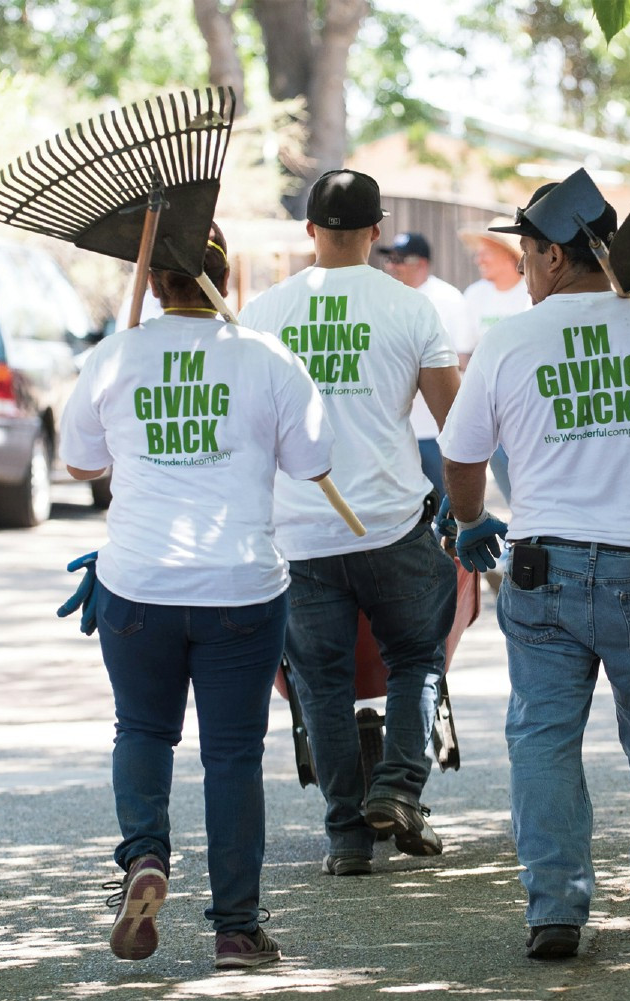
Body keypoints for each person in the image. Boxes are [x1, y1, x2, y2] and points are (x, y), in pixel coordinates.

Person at [437, 172, 630, 960]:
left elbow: (461, 452)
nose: (523, 271)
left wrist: (472, 521)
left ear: (549, 256)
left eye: (526, 255)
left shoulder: (511, 340)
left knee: (542, 740)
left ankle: (555, 910)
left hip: (543, 572)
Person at [57, 223, 334, 970]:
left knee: (142, 730)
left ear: (154, 283)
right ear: (225, 281)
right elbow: (316, 461)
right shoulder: (266, 357)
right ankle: (237, 928)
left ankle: (145, 856)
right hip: (242, 587)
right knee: (234, 755)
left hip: (137, 583)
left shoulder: (113, 356)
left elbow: (79, 465)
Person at [238, 169, 461, 878]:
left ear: (310, 230)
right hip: (392, 520)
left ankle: (346, 837)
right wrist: (470, 506)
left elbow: (243, 433)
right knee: (417, 656)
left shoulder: (262, 314)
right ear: (375, 232)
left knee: (321, 683)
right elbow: (457, 426)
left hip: (299, 531)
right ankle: (397, 785)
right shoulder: (411, 307)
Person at [378, 231, 474, 504]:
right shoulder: (384, 298)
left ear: (421, 263)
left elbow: (464, 358)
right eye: (389, 259)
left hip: (435, 428)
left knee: (448, 506)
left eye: (399, 259)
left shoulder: (448, 298)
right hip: (394, 430)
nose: (392, 266)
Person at [456, 217, 533, 505]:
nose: (478, 258)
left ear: (508, 254)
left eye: (486, 251)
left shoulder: (532, 291)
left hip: (532, 408)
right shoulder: (474, 295)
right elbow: (464, 353)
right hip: (496, 415)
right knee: (515, 495)